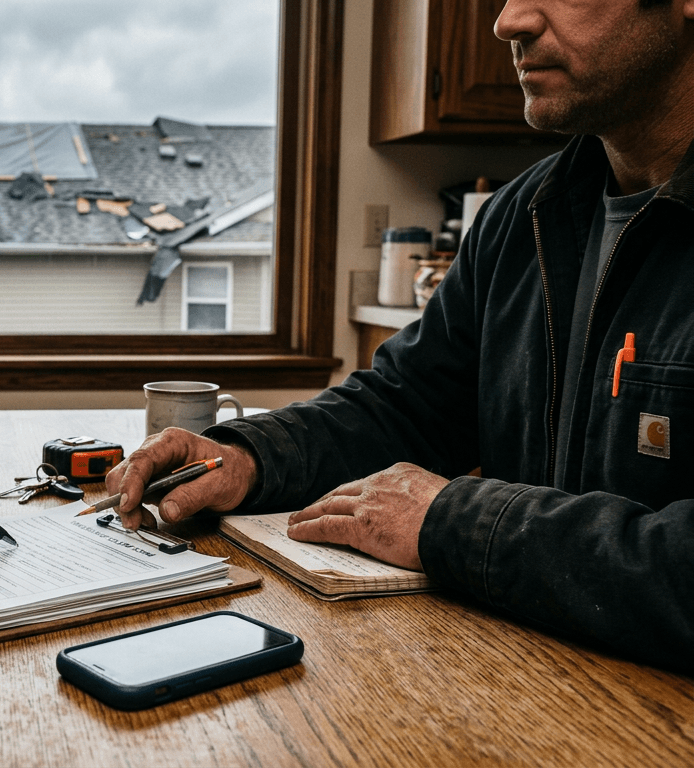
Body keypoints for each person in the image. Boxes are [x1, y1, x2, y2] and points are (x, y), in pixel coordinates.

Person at [108, 0, 694, 673]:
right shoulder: (525, 216)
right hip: (525, 679)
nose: (509, 22)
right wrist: (246, 458)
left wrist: (455, 522)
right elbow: (406, 405)